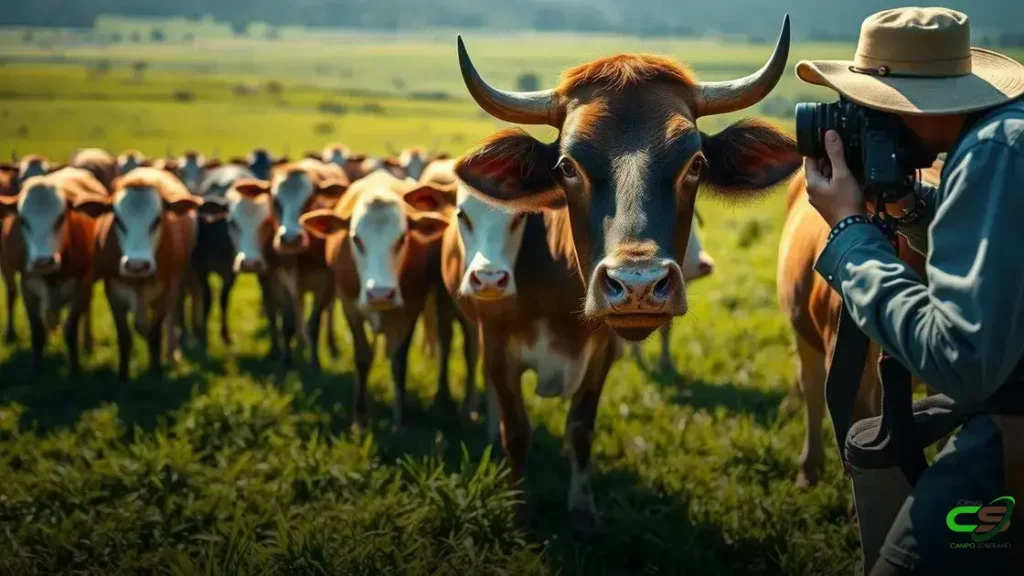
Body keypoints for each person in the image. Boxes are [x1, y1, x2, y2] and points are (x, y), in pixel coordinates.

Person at [796, 7, 1024, 575]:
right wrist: (910, 210)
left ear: (903, 105)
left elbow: (959, 357)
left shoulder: (995, 155)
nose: (851, 120)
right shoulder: (1006, 137)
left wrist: (850, 236)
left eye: (860, 105)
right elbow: (1001, 264)